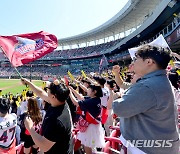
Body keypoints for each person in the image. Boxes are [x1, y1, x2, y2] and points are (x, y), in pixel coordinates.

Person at [111, 45, 179, 154]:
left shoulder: (147, 86)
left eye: (136, 59)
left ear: (149, 62)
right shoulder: (160, 80)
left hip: (147, 148)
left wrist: (118, 96)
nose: (133, 63)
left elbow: (119, 108)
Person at [21, 78, 74, 154]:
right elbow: (41, 93)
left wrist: (30, 128)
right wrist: (28, 83)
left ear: (53, 96)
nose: (46, 91)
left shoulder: (56, 120)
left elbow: (44, 146)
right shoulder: (61, 102)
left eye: (48, 90)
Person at [69, 84, 105, 154]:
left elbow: (76, 103)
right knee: (91, 145)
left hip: (90, 127)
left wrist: (70, 93)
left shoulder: (92, 101)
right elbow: (80, 97)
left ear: (94, 92)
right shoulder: (95, 99)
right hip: (93, 125)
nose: (87, 90)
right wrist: (72, 90)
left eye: (89, 89)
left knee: (87, 144)